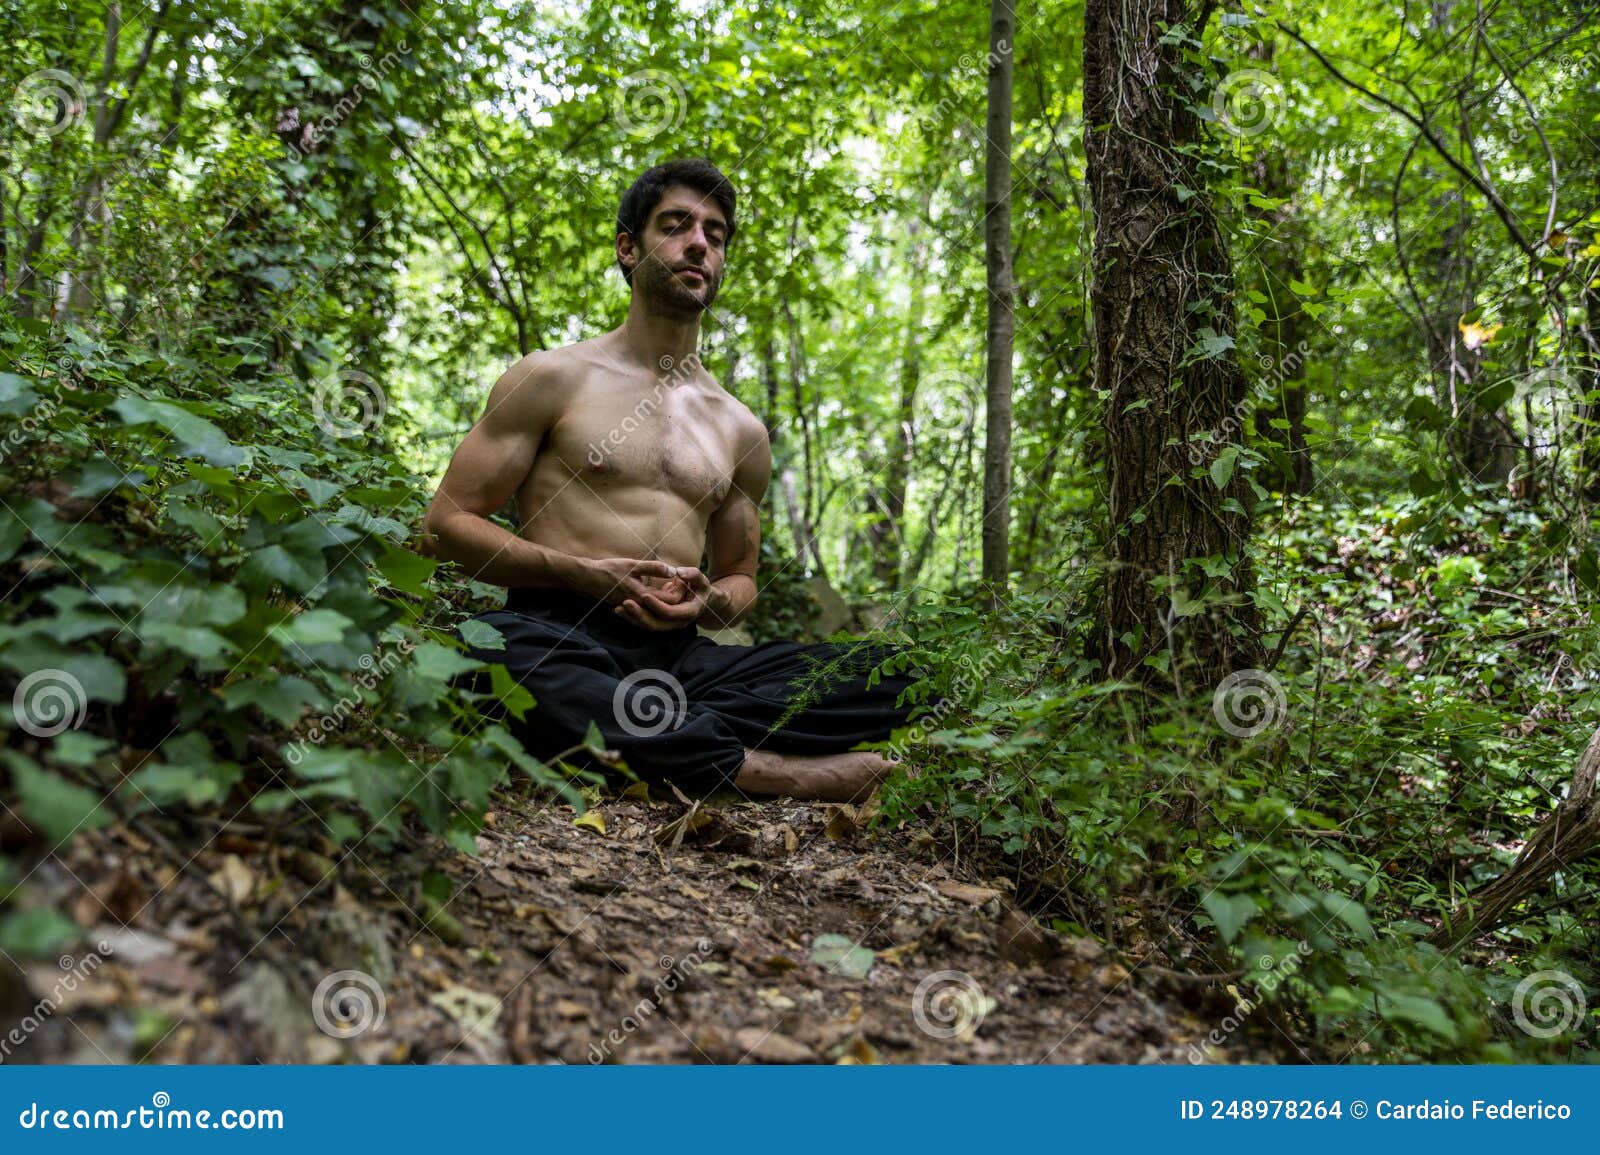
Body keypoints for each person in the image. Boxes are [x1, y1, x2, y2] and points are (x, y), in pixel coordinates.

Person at [420, 158, 922, 801]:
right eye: (677, 225)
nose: (699, 244)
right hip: (554, 635)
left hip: (680, 660)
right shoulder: (551, 378)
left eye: (716, 234)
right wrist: (583, 573)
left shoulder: (741, 430)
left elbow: (740, 577)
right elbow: (445, 526)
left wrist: (707, 602)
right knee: (489, 660)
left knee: (897, 671)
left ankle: (656, 739)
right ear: (629, 249)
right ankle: (781, 772)